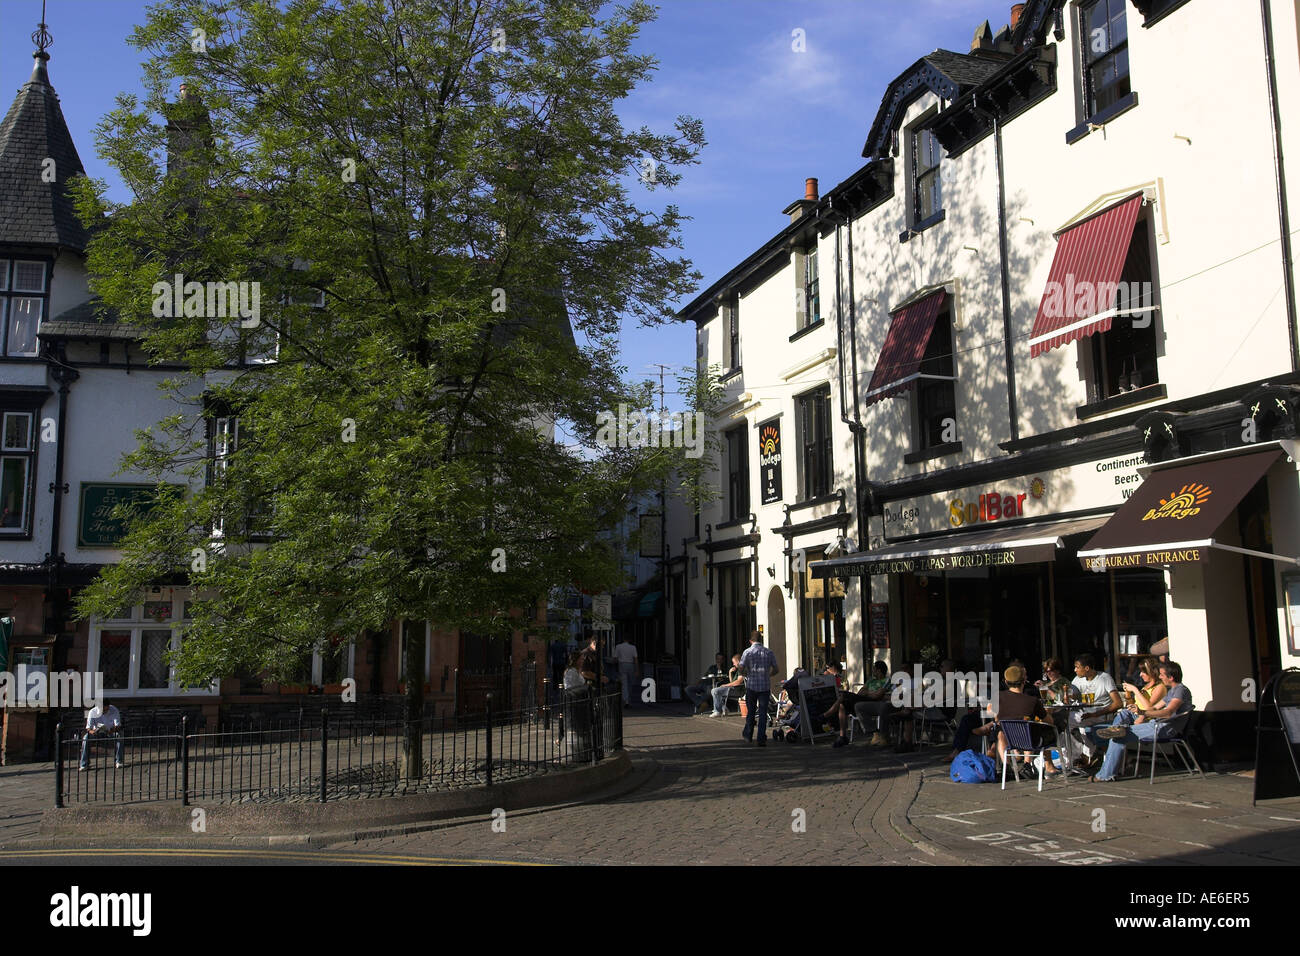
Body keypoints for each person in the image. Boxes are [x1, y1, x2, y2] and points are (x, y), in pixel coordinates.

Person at [1087, 661, 1193, 782]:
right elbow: (1154, 708)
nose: (1160, 677)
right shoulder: (1172, 691)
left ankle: (1104, 774)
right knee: (1121, 727)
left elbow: (1168, 712)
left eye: (1162, 675)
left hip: (1164, 728)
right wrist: (1138, 710)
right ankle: (1114, 731)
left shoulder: (1180, 690)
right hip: (1157, 725)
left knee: (1119, 736)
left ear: (1171, 677)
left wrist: (1143, 713)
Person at [1068, 653, 1122, 766]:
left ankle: (1081, 756)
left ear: (1086, 668)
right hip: (1084, 713)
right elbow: (1070, 696)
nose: (1075, 670)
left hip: (1102, 714)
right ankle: (1083, 755)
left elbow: (1118, 703)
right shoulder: (1077, 680)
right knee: (1064, 723)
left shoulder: (1104, 678)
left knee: (1066, 724)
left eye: (1077, 667)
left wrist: (1096, 714)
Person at [829, 661, 890, 747]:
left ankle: (827, 714)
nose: (872, 672)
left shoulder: (886, 681)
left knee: (844, 696)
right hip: (864, 699)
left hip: (874, 703)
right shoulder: (871, 680)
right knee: (842, 703)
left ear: (879, 670)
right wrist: (871, 693)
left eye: (874, 670)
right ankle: (842, 736)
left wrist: (868, 692)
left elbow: (877, 696)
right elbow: (860, 692)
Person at [739, 631, 778, 746]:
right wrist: (768, 675)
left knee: (751, 711)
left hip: (751, 686)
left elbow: (740, 668)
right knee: (763, 712)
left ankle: (748, 734)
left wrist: (746, 673)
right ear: (760, 640)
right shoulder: (768, 652)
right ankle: (761, 738)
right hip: (764, 687)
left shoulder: (747, 652)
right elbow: (776, 669)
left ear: (750, 641)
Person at [79, 697, 124, 771]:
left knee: (119, 736)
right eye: (101, 709)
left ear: (108, 706)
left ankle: (119, 761)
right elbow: (88, 728)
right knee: (86, 738)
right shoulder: (92, 712)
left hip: (110, 731)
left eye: (105, 709)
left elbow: (118, 725)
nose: (103, 711)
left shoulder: (114, 710)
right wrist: (93, 732)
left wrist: (111, 730)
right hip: (97, 733)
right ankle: (84, 764)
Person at [613, 636, 638, 707]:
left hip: (622, 665)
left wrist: (614, 662)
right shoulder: (633, 647)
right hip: (631, 665)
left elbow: (615, 658)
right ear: (629, 640)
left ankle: (626, 700)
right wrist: (637, 670)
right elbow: (636, 659)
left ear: (623, 639)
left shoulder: (618, 646)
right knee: (630, 682)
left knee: (624, 683)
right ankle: (628, 698)